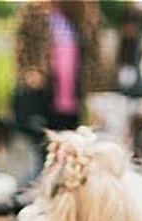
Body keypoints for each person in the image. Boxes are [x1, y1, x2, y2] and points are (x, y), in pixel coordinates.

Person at [13, 0, 102, 137]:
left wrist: (93, 94)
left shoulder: (79, 15)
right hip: (41, 94)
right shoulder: (32, 14)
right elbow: (21, 48)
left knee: (69, 138)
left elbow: (91, 59)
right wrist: (29, 71)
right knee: (40, 142)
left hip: (70, 95)